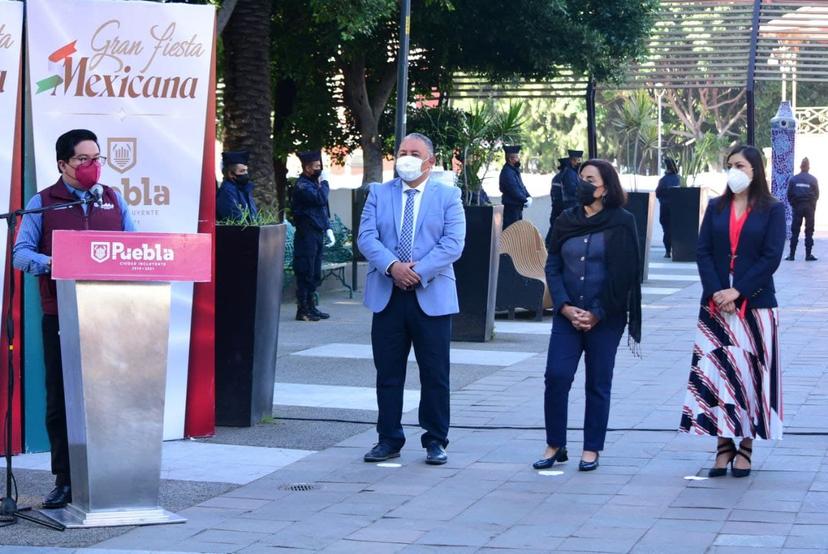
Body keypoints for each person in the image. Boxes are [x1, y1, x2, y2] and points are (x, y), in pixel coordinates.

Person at [13, 129, 135, 509]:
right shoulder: (43, 202)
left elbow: (134, 247)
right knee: (62, 401)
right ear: (63, 164)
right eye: (84, 160)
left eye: (97, 158)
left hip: (109, 313)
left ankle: (109, 474)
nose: (93, 166)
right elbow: (20, 254)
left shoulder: (113, 199)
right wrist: (59, 263)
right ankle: (65, 480)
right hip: (61, 314)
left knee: (109, 396)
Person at [358, 132, 465, 466]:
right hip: (388, 295)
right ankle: (388, 438)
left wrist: (418, 272)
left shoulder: (449, 196)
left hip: (430, 294)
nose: (406, 157)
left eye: (414, 152)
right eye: (402, 151)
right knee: (388, 373)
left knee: (435, 373)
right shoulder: (378, 193)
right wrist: (393, 267)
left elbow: (453, 243)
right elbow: (366, 237)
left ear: (429, 161)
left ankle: (435, 439)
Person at [679, 145, 785, 478]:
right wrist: (717, 292)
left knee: (750, 377)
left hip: (755, 307)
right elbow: (703, 252)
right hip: (716, 308)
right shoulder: (715, 207)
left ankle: (746, 446)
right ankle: (723, 445)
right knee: (719, 375)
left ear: (755, 169)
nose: (733, 171)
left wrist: (738, 292)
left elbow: (771, 258)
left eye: (739, 165)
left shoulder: (773, 210)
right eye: (729, 165)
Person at [535, 159, 641, 473]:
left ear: (605, 186)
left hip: (605, 318)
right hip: (567, 315)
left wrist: (596, 313)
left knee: (598, 382)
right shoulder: (566, 219)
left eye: (589, 179)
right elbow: (552, 263)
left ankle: (592, 448)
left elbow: (625, 273)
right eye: (580, 177)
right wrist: (564, 306)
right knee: (556, 376)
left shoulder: (622, 221)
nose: (582, 183)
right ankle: (555, 444)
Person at [291, 150, 335, 322]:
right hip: (305, 234)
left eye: (320, 166)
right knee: (305, 270)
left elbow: (323, 209)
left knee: (314, 271)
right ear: (307, 167)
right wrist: (325, 183)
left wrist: (328, 228)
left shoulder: (313, 183)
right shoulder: (303, 185)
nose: (319, 169)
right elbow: (320, 199)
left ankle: (311, 307)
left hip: (316, 232)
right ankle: (302, 309)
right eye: (316, 166)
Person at [786, 157, 819, 261]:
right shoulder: (813, 179)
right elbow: (817, 195)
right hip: (809, 207)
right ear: (808, 167)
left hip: (797, 206)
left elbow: (789, 194)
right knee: (809, 231)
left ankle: (792, 255)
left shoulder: (794, 179)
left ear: (800, 167)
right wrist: (812, 205)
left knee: (795, 231)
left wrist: (793, 204)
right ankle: (808, 255)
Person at [216, 150, 257, 221]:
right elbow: (236, 219)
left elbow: (254, 216)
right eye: (242, 171)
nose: (246, 173)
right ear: (231, 174)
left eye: (246, 170)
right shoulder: (227, 192)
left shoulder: (245, 189)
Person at [499, 145, 531, 229]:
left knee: (516, 230)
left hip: (516, 206)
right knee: (511, 230)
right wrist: (524, 199)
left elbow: (521, 185)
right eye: (516, 157)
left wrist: (528, 196)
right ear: (510, 159)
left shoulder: (513, 170)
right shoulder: (507, 172)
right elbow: (513, 189)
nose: (518, 159)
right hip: (511, 207)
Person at [655, 157, 681, 258]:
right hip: (678, 209)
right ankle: (677, 250)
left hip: (665, 208)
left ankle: (667, 251)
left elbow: (658, 193)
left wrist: (663, 200)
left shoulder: (663, 180)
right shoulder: (679, 179)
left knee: (667, 230)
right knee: (676, 230)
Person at [545, 157, 570, 250]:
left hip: (555, 205)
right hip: (562, 206)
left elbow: (552, 193)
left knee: (554, 225)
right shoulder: (565, 177)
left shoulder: (556, 177)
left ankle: (548, 243)